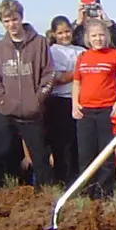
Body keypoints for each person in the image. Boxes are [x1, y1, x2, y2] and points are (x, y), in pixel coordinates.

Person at [0, 0, 54, 187]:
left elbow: (48, 75)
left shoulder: (39, 43)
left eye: (14, 19)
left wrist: (37, 100)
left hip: (32, 110)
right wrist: (2, 101)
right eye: (6, 21)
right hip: (6, 111)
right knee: (1, 154)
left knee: (39, 157)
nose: (11, 24)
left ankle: (45, 196)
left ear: (21, 18)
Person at [72, 21, 116, 200]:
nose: (98, 39)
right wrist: (74, 103)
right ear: (88, 38)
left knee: (106, 155)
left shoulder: (115, 55)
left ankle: (104, 195)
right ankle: (87, 193)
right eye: (94, 36)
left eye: (101, 35)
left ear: (106, 36)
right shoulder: (83, 56)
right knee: (86, 154)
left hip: (107, 110)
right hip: (85, 111)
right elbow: (77, 82)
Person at [44, 15, 81, 185]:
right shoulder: (52, 51)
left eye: (67, 31)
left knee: (77, 143)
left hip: (79, 99)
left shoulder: (81, 51)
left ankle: (77, 179)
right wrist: (79, 74)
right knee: (62, 144)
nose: (65, 36)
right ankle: (62, 179)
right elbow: (57, 77)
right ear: (54, 34)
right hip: (59, 101)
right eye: (60, 33)